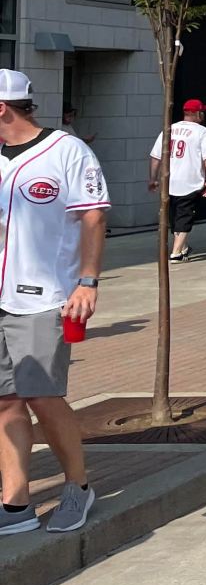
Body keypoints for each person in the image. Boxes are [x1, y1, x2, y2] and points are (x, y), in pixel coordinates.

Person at [0, 70, 109, 537]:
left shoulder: (66, 151)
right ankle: (16, 502)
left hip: (45, 296)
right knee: (4, 402)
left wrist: (88, 282)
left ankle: (78, 487)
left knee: (43, 396)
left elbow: (92, 217)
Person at [149, 98, 206, 262]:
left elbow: (155, 156)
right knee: (185, 216)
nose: (204, 115)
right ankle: (176, 252)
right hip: (190, 181)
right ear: (197, 113)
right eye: (203, 112)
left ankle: (183, 247)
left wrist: (153, 178)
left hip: (169, 181)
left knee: (175, 216)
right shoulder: (203, 132)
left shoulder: (169, 129)